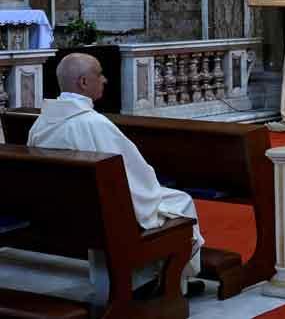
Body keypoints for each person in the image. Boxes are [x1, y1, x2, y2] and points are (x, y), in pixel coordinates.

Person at [28, 54, 204, 295]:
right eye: (99, 74)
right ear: (83, 82)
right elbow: (138, 179)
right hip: (104, 217)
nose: (105, 79)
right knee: (180, 201)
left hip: (65, 213)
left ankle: (140, 278)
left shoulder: (42, 122)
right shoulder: (94, 124)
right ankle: (166, 284)